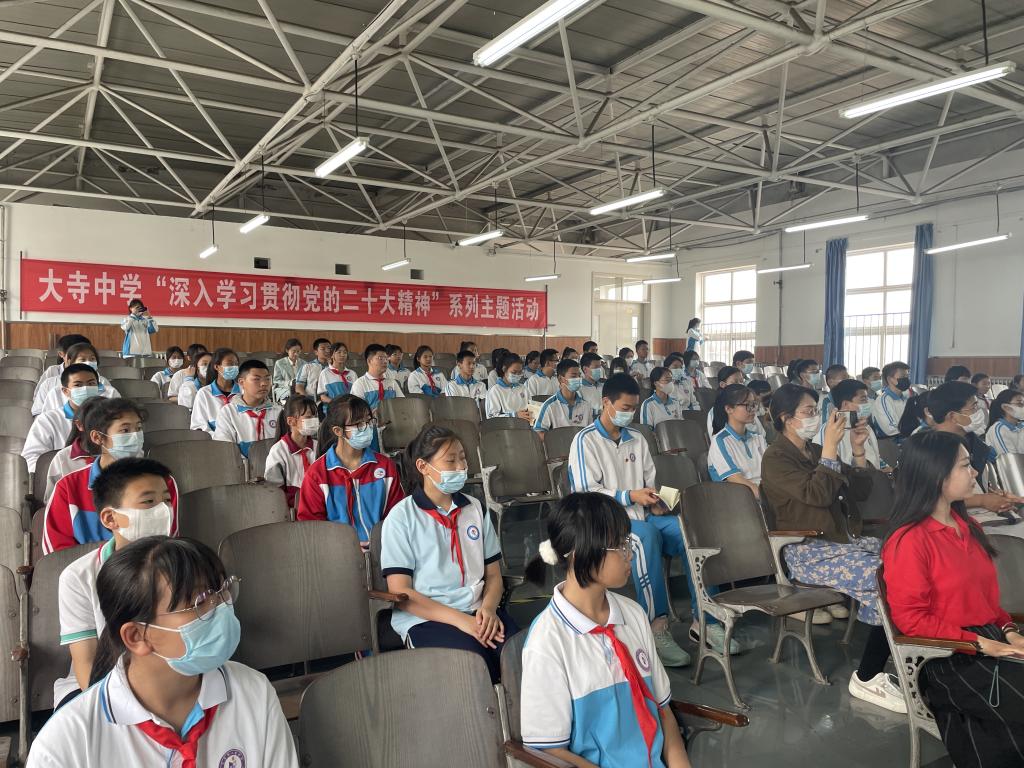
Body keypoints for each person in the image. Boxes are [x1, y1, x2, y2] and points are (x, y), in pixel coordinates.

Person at [26, 537, 299, 768]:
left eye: (221, 590)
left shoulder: (254, 692)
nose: (221, 607)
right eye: (200, 600)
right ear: (137, 637)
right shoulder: (65, 746)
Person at [882, 430, 1024, 768]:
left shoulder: (968, 526)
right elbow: (912, 620)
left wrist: (1009, 631)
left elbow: (987, 601)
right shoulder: (909, 541)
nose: (974, 471)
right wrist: (981, 644)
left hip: (985, 640)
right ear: (936, 474)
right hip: (944, 656)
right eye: (965, 465)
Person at [760, 384, 906, 712]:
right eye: (808, 412)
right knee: (884, 576)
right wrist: (829, 449)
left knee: (908, 558)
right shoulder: (776, 458)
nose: (815, 418)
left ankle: (907, 650)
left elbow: (860, 492)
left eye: (816, 411)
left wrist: (857, 451)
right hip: (805, 550)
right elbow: (818, 495)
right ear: (786, 418)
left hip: (840, 542)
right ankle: (868, 676)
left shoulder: (814, 451)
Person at [521, 493, 691, 768]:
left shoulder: (633, 614)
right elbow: (549, 750)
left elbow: (663, 710)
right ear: (581, 552)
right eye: (620, 545)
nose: (630, 554)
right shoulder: (547, 641)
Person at [567, 373, 698, 667]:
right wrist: (630, 496)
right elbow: (586, 493)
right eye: (625, 407)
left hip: (642, 514)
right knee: (644, 538)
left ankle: (705, 619)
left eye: (634, 408)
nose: (630, 413)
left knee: (688, 531)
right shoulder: (585, 440)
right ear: (606, 402)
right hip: (604, 521)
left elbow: (649, 482)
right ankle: (656, 626)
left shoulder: (637, 439)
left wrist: (656, 500)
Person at [381, 425, 517, 684]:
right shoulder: (401, 517)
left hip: (478, 611)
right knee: (474, 668)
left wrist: (488, 609)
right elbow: (401, 594)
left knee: (519, 657)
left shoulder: (475, 508)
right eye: (451, 461)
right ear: (423, 466)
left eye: (463, 459)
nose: (461, 467)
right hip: (427, 617)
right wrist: (462, 622)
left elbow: (493, 575)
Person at [53, 458, 176, 708]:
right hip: (104, 683)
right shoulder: (78, 577)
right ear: (110, 518)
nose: (164, 510)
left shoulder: (186, 564)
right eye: (148, 502)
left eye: (166, 500)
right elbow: (87, 662)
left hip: (172, 677)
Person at [43, 399, 179, 555]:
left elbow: (169, 536)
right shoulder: (68, 487)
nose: (135, 437)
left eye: (138, 428)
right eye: (125, 430)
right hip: (86, 568)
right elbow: (58, 555)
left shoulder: (163, 481)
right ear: (97, 437)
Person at [296, 394, 404, 546]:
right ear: (338, 431)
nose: (367, 428)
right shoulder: (317, 475)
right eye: (358, 424)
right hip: (337, 552)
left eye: (369, 421)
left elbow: (397, 515)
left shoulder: (385, 467)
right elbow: (313, 528)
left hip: (383, 548)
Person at [928, 381, 1023, 514]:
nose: (979, 412)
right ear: (953, 416)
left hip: (982, 515)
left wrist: (996, 496)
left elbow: (976, 485)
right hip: (953, 518)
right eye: (974, 407)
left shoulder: (972, 443)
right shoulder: (928, 449)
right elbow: (929, 498)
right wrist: (981, 500)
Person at [22, 363, 100, 473]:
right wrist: (62, 473)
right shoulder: (48, 420)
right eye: (78, 385)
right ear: (65, 391)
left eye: (91, 384)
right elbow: (32, 459)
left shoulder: (111, 417)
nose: (86, 389)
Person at [814, 379, 890, 471]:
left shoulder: (866, 428)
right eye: (863, 400)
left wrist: (885, 468)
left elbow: (876, 458)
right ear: (845, 404)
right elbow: (827, 471)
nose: (868, 404)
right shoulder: (828, 432)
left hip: (873, 476)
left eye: (867, 399)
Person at [212, 360, 282, 458]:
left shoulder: (279, 412)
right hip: (240, 465)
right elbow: (225, 449)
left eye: (267, 379)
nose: (264, 383)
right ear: (242, 382)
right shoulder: (229, 413)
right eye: (256, 379)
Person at [708, 384, 766, 498]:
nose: (753, 409)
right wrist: (770, 498)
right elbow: (736, 480)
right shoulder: (720, 441)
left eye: (754, 404)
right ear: (729, 409)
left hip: (765, 494)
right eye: (747, 405)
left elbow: (771, 471)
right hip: (740, 500)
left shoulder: (758, 438)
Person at [34, 342, 120, 416]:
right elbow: (43, 418)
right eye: (82, 359)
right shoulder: (55, 392)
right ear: (69, 362)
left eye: (92, 359)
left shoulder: (110, 391)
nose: (88, 362)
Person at [44, 398, 103, 504]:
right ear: (80, 425)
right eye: (100, 424)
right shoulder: (62, 458)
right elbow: (52, 502)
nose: (105, 429)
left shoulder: (119, 455)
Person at [264, 395, 318, 508]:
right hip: (292, 509)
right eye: (308, 417)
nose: (314, 420)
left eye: (315, 416)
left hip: (319, 505)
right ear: (291, 421)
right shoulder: (278, 451)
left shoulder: (318, 447)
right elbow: (275, 491)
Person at [350, 345, 404, 453]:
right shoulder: (360, 384)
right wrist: (372, 414)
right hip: (370, 429)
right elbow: (357, 412)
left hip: (392, 427)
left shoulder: (392, 383)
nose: (385, 361)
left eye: (386, 358)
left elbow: (402, 404)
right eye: (380, 358)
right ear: (369, 361)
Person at [533, 359, 594, 435]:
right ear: (560, 379)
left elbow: (590, 433)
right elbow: (539, 432)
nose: (578, 379)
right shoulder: (550, 406)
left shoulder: (586, 406)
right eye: (573, 376)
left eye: (579, 375)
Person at [189, 348, 240, 433]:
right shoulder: (204, 393)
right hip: (213, 440)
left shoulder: (243, 391)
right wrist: (219, 438)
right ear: (216, 367)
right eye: (230, 363)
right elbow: (199, 425)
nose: (234, 367)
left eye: (236, 364)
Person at [485, 353, 531, 420]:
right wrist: (514, 415)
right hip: (506, 425)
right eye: (514, 372)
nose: (517, 375)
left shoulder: (523, 388)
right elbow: (492, 417)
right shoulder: (495, 391)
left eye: (520, 372)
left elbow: (530, 407)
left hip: (525, 424)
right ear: (504, 369)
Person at [871, 360, 911, 438]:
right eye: (903, 376)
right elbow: (891, 429)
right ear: (890, 379)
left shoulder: (905, 398)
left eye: (907, 376)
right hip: (891, 441)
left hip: (907, 437)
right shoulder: (883, 400)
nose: (906, 379)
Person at [987, 388, 1024, 456]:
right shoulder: (998, 429)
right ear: (1006, 407)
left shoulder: (1021, 426)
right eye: (1020, 404)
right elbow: (1011, 457)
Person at [271, 338, 304, 404]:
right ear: (287, 350)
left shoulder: (304, 363)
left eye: (298, 351)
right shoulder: (279, 363)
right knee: (292, 397)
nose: (296, 354)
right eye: (293, 351)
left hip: (300, 389)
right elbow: (276, 381)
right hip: (284, 389)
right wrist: (289, 383)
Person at [577, 352, 606, 417]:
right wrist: (598, 412)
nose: (599, 370)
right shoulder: (579, 389)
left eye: (600, 367)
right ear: (585, 369)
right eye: (596, 367)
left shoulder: (604, 385)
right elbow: (580, 411)